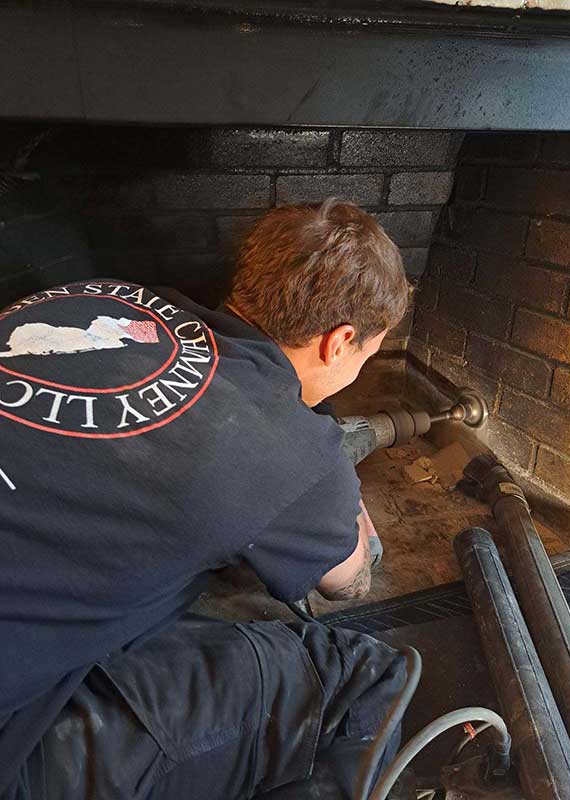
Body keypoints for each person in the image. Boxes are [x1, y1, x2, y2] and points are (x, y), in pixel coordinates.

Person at [0, 199, 410, 799]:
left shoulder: (104, 297)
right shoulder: (282, 451)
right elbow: (347, 581)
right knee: (362, 680)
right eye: (371, 351)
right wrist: (323, 478)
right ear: (340, 342)